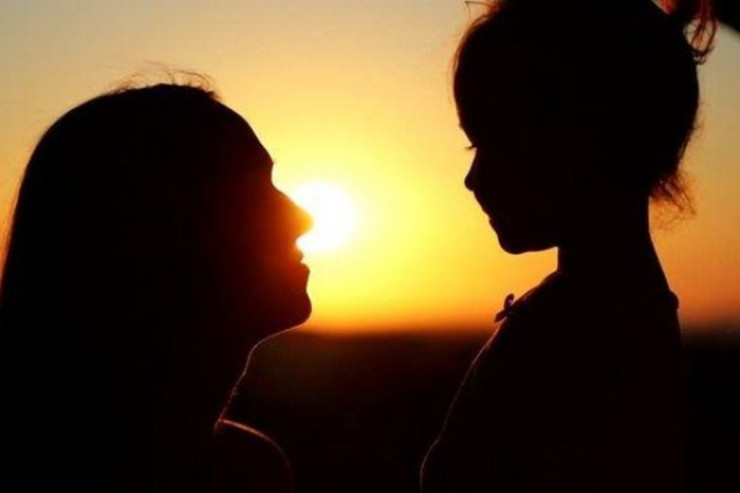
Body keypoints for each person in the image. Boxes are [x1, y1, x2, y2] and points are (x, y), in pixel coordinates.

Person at [422, 0, 715, 491]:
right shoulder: (621, 316)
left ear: (577, 141)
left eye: (493, 143)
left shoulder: (581, 338)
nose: (473, 178)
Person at [0, 82, 312, 492]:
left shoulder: (250, 468)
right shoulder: (242, 473)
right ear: (154, 232)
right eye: (252, 193)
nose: (303, 219)